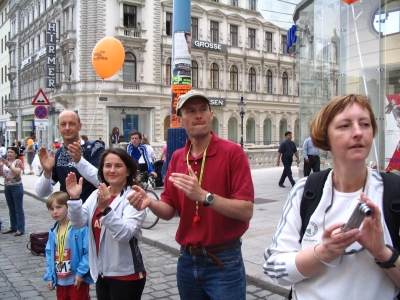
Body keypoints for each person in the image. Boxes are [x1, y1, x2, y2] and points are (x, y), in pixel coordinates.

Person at [264, 94, 400, 300]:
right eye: (344, 126)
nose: (357, 132)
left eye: (365, 124)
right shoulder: (305, 191)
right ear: (325, 137)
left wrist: (382, 252)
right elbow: (275, 269)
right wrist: (323, 252)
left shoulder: (394, 191)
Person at [128, 91, 254, 299]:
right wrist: (149, 202)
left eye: (203, 109)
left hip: (223, 260)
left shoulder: (233, 153)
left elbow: (246, 210)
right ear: (179, 119)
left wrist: (205, 196)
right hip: (187, 260)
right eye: (191, 111)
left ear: (211, 115)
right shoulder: (178, 157)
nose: (198, 115)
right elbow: (169, 210)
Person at [66, 148, 147, 300]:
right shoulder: (96, 194)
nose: (112, 170)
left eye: (118, 166)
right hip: (101, 272)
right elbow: (78, 223)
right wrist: (75, 199)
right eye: (107, 165)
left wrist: (105, 210)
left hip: (126, 274)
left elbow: (125, 234)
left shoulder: (134, 197)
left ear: (128, 171)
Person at [35, 110, 105, 202]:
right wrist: (47, 172)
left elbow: (102, 181)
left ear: (80, 126)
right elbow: (41, 193)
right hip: (68, 212)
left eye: (71, 124)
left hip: (93, 211)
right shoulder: (58, 154)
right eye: (63, 124)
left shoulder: (95, 148)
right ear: (58, 127)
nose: (67, 128)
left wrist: (79, 161)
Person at [43, 191, 93, 299]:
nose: (55, 212)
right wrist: (50, 276)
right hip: (60, 280)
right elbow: (49, 254)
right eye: (51, 209)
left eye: (59, 207)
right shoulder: (53, 231)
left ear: (68, 207)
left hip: (76, 279)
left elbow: (88, 252)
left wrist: (81, 273)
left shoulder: (80, 228)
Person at [0, 147, 25, 236]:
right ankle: (13, 226)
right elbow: (1, 174)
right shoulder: (5, 162)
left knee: (18, 208)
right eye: (8, 152)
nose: (9, 153)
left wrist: (9, 165)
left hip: (16, 186)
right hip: (7, 187)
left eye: (11, 152)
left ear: (15, 154)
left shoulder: (18, 162)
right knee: (11, 209)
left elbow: (17, 172)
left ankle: (20, 228)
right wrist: (1, 165)